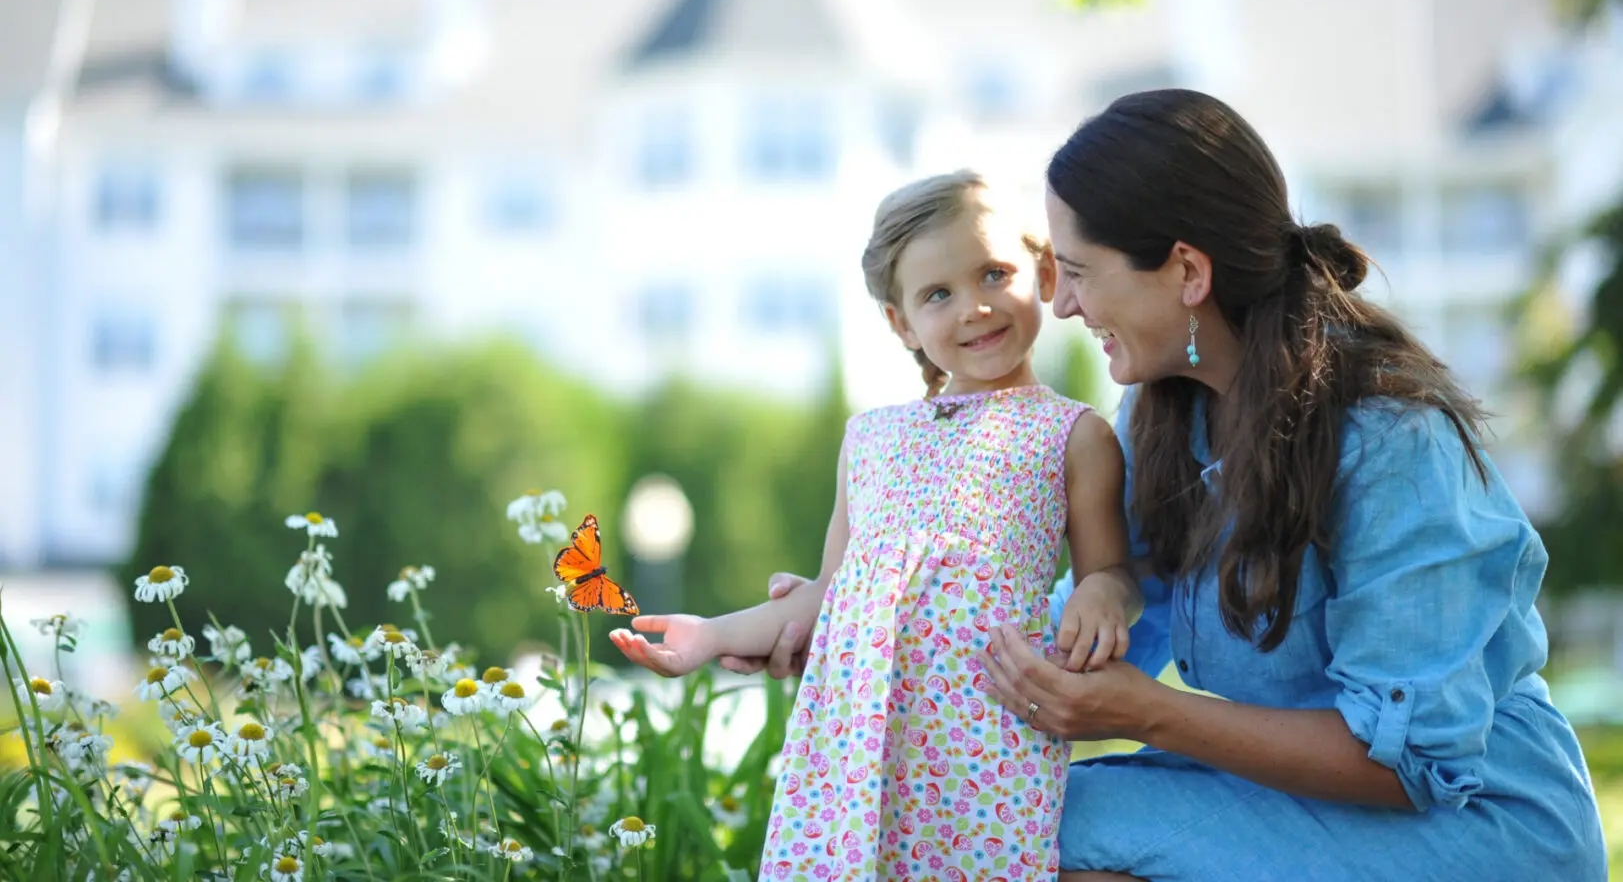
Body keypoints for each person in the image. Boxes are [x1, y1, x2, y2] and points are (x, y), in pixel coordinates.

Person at [734, 90, 1609, 881]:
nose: (1063, 306)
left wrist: (1149, 714)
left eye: (1078, 272)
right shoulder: (1161, 422)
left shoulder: (1388, 443)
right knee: (985, 825)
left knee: (1033, 839)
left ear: (1187, 272)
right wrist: (876, 633)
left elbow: (1412, 760)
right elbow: (1093, 629)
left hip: (1472, 822)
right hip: (1290, 796)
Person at [609, 169, 1142, 879]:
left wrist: (1102, 592)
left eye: (993, 274)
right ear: (901, 323)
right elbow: (824, 595)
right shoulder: (868, 439)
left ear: (1044, 275)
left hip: (988, 746)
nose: (975, 307)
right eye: (937, 294)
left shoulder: (1074, 434)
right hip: (857, 753)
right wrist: (710, 635)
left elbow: (1112, 571)